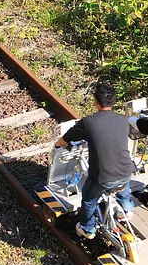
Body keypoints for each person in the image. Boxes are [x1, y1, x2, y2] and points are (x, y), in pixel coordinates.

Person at [56, 82, 136, 240]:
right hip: (127, 170)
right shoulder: (122, 119)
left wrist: (58, 144)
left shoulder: (88, 122)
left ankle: (87, 228)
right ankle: (126, 210)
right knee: (121, 184)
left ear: (95, 101)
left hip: (103, 177)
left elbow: (66, 139)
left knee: (88, 198)